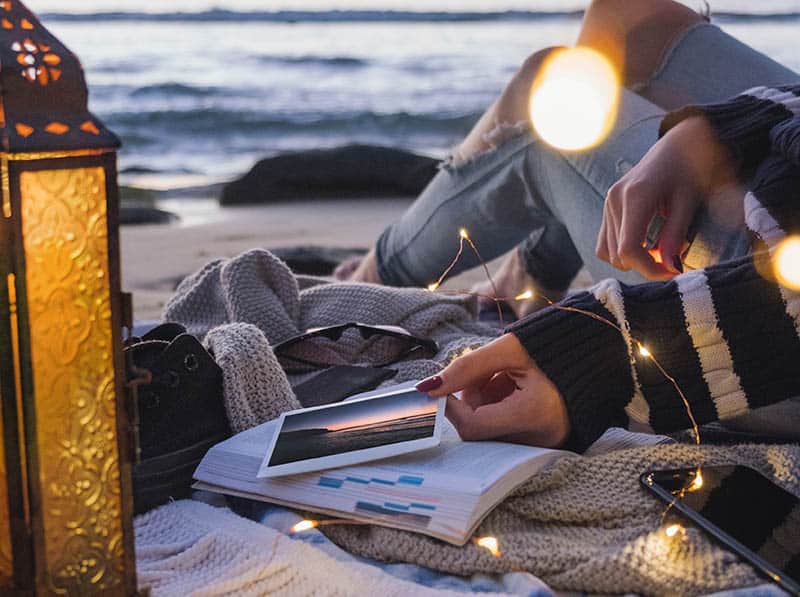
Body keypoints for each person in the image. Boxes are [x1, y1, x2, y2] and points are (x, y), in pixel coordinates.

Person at [340, 0, 800, 450]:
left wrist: (595, 353)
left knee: (553, 89)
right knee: (624, 15)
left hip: (765, 296)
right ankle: (533, 271)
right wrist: (717, 128)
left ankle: (375, 280)